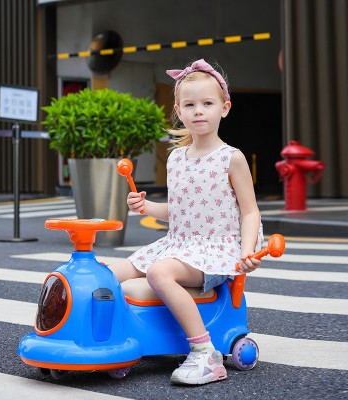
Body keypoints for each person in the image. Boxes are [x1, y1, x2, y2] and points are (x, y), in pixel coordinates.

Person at [109, 59, 264, 385]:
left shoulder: (231, 158)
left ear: (224, 108)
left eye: (207, 103)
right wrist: (147, 207)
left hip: (215, 251)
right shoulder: (176, 158)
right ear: (179, 111)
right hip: (178, 245)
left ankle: (205, 353)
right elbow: (181, 210)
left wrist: (247, 252)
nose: (198, 111)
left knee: (159, 272)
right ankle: (109, 339)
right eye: (190, 105)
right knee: (109, 273)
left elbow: (250, 212)